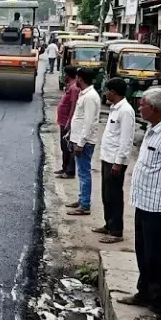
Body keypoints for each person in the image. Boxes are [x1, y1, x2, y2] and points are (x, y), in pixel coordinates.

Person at [118, 87, 161, 320]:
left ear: (153, 109)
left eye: (142, 105)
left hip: (160, 208)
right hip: (144, 203)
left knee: (158, 258)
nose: (139, 108)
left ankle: (159, 307)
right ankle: (144, 293)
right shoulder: (153, 130)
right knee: (143, 253)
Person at [94, 77, 135, 244]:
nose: (105, 94)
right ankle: (108, 224)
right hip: (107, 157)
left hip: (115, 161)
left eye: (107, 91)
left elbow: (126, 140)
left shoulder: (126, 111)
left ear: (113, 92)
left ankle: (116, 230)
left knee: (115, 196)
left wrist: (118, 162)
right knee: (106, 195)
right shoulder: (115, 108)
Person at [66, 67, 101, 216]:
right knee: (81, 173)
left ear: (80, 78)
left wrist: (80, 143)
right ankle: (82, 200)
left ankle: (85, 204)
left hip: (84, 142)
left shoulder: (90, 97)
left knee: (84, 173)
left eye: (77, 78)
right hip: (79, 139)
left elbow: (88, 123)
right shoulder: (85, 94)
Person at [55, 66, 79, 180]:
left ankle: (69, 171)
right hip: (63, 121)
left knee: (67, 147)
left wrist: (69, 121)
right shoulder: (70, 86)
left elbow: (73, 106)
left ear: (68, 75)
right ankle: (64, 168)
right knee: (63, 146)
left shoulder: (74, 88)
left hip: (66, 122)